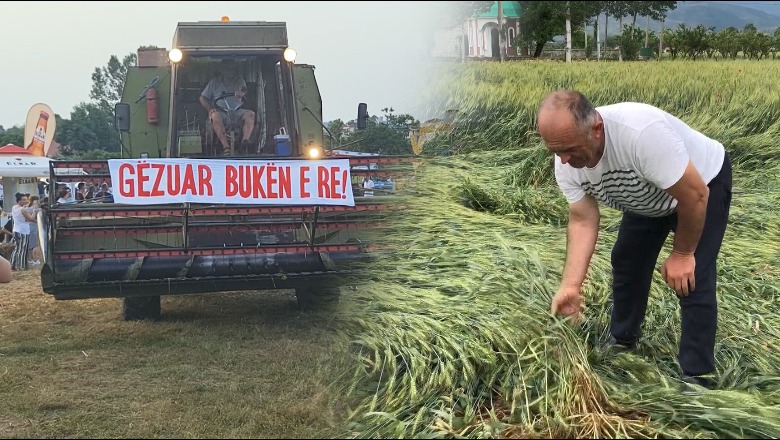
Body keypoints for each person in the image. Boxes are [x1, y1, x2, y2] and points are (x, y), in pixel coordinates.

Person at [537, 90, 732, 390]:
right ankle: (623, 338)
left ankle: (697, 376)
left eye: (570, 149)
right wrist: (570, 285)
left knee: (693, 276)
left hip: (701, 186)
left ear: (596, 129)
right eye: (556, 151)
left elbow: (694, 196)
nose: (563, 159)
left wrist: (682, 253)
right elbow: (583, 219)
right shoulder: (565, 161)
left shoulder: (641, 134)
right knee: (626, 260)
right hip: (648, 197)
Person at [199, 58, 256, 156]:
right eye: (227, 69)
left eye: (232, 69)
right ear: (222, 70)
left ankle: (245, 142)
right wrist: (210, 109)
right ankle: (226, 147)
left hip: (238, 111)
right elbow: (202, 98)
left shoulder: (239, 80)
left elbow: (244, 90)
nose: (230, 71)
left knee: (250, 114)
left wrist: (242, 94)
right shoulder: (214, 82)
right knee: (215, 116)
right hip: (221, 112)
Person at [10, 193, 37, 271]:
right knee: (23, 249)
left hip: (16, 230)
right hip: (23, 231)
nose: (26, 201)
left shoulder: (14, 207)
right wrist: (34, 211)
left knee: (17, 248)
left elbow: (23, 218)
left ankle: (12, 264)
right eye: (24, 200)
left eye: (26, 199)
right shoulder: (23, 210)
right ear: (19, 201)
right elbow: (31, 218)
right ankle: (21, 266)